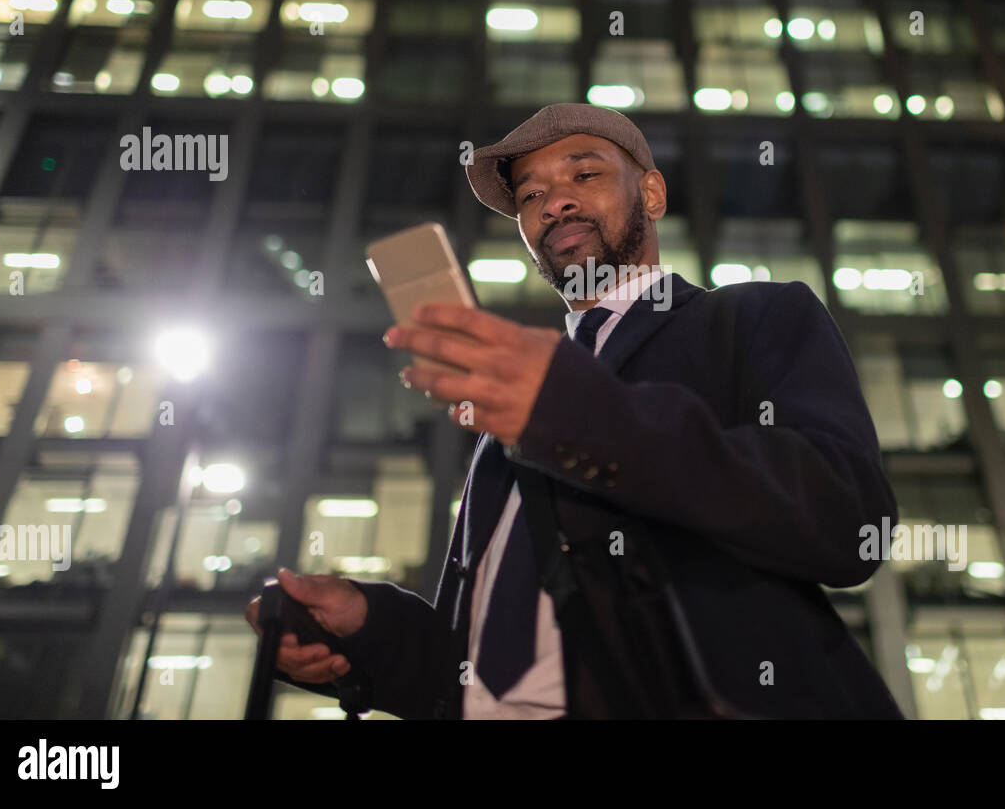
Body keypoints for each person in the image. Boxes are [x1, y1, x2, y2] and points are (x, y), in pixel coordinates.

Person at [247, 103, 903, 719]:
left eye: (584, 174)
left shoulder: (754, 317)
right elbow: (486, 660)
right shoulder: (515, 405)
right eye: (530, 196)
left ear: (651, 194)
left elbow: (848, 516)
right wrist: (369, 627)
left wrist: (583, 414)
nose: (553, 202)